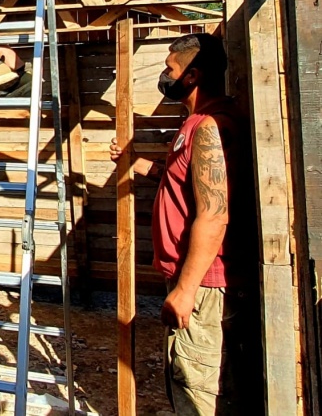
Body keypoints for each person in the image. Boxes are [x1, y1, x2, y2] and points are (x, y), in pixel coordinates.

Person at [109, 33, 261, 415]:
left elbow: (214, 212)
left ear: (191, 76)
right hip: (194, 278)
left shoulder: (212, 124)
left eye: (169, 69)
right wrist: (135, 164)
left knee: (199, 385)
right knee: (187, 375)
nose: (165, 75)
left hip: (205, 283)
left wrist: (187, 289)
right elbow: (183, 182)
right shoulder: (196, 123)